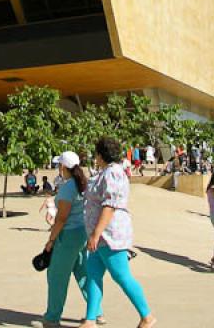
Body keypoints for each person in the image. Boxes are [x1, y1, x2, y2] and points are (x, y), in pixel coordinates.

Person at [79, 137, 154, 328]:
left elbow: (109, 205)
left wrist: (96, 233)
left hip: (110, 235)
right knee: (93, 275)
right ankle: (90, 319)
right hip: (99, 236)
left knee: (121, 275)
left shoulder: (113, 172)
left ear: (100, 154)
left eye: (96, 153)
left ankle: (147, 316)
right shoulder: (104, 172)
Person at [33, 152, 105, 328]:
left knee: (57, 276)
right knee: (83, 273)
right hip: (83, 233)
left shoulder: (67, 187)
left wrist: (51, 240)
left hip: (69, 235)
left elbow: (62, 218)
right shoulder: (84, 183)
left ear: (63, 167)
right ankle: (96, 312)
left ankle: (52, 317)